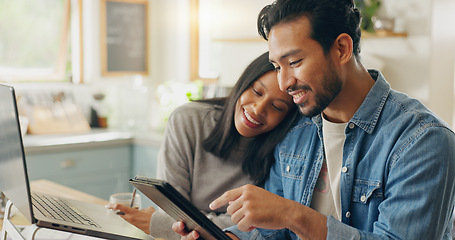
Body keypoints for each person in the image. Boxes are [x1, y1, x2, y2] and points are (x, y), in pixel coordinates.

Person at [173, 0, 455, 239]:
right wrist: (226, 236)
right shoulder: (297, 130)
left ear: (342, 49)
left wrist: (294, 215)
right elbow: (271, 231)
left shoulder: (422, 139)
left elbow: (287, 218)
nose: (283, 83)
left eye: (294, 62)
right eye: (276, 66)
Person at [107, 52, 301, 240]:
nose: (258, 109)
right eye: (257, 92)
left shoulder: (286, 148)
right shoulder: (188, 121)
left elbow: (260, 226)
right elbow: (174, 215)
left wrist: (156, 223)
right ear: (242, 84)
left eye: (277, 107)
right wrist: (174, 223)